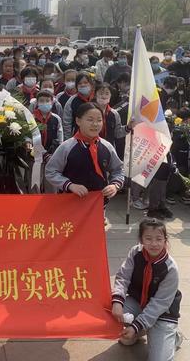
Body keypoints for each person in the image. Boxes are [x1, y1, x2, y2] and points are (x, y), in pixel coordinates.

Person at [112, 218, 182, 361]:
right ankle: (142, 329)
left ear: (165, 240)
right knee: (111, 312)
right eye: (148, 238)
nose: (154, 244)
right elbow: (123, 277)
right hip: (138, 302)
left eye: (158, 239)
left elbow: (159, 304)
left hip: (162, 312)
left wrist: (136, 326)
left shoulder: (171, 268)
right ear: (141, 239)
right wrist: (117, 302)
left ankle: (173, 337)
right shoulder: (135, 252)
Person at [45, 102, 124, 214]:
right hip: (70, 204)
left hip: (98, 205)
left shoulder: (107, 146)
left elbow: (118, 169)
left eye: (99, 120)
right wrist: (70, 185)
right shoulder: (67, 147)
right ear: (78, 121)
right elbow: (51, 171)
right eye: (90, 120)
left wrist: (114, 185)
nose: (95, 124)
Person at [62, 72, 95, 139]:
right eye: (80, 83)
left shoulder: (97, 98)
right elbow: (67, 122)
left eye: (85, 82)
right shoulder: (72, 101)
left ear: (91, 84)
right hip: (77, 137)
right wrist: (68, 139)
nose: (83, 85)